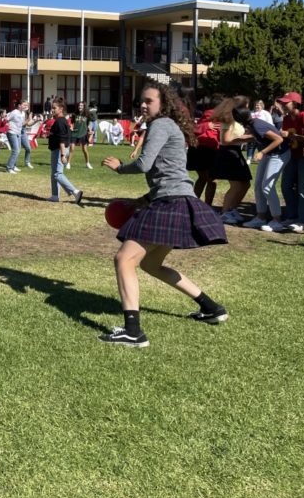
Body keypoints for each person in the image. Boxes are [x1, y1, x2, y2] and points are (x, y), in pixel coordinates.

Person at [100, 81, 228, 348]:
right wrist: (142, 200)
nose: (144, 105)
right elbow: (170, 174)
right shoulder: (170, 126)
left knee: (124, 259)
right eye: (141, 101)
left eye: (149, 101)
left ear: (163, 103)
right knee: (150, 265)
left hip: (170, 204)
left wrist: (120, 168)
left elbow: (145, 163)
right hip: (177, 200)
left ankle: (133, 332)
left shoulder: (160, 125)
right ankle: (211, 307)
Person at [233, 106, 291, 232]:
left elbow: (279, 139)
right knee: (259, 185)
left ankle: (277, 220)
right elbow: (258, 136)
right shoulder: (253, 124)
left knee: (267, 186)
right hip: (270, 154)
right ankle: (261, 217)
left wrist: (261, 152)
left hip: (279, 154)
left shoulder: (257, 125)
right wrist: (238, 139)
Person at [210, 96, 252, 224]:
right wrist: (247, 138)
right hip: (228, 153)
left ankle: (232, 209)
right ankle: (225, 212)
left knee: (245, 183)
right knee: (236, 185)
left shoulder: (237, 120)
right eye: (246, 105)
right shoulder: (229, 120)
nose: (247, 108)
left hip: (235, 152)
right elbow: (226, 140)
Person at [278, 92, 304, 229]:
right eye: (282, 102)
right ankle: (292, 216)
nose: (283, 104)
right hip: (291, 156)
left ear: (295, 103)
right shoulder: (286, 119)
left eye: (286, 102)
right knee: (286, 186)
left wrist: (291, 135)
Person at [47, 97, 83, 204]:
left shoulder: (60, 122)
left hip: (59, 150)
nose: (52, 110)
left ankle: (75, 192)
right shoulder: (60, 121)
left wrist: (63, 154)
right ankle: (54, 196)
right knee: (54, 173)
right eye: (52, 108)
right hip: (57, 149)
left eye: (54, 108)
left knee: (57, 174)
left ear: (61, 108)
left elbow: (62, 139)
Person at [186, 104, 219, 206]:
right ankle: (207, 206)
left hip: (196, 148)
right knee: (212, 180)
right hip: (208, 148)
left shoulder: (205, 115)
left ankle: (194, 204)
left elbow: (195, 129)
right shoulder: (220, 115)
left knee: (202, 178)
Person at [66, 102, 92, 170]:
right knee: (72, 148)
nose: (80, 106)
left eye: (81, 105)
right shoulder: (74, 114)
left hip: (83, 133)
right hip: (74, 133)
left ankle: (87, 163)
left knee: (85, 150)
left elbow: (88, 124)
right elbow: (72, 123)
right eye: (79, 105)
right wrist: (71, 127)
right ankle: (68, 163)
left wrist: (90, 130)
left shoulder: (87, 115)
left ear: (84, 107)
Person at [5, 101, 25, 173]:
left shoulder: (22, 113)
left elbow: (22, 124)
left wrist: (30, 119)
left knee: (18, 150)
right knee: (15, 150)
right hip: (12, 132)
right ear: (19, 105)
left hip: (18, 133)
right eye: (23, 105)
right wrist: (7, 127)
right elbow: (6, 119)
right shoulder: (14, 112)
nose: (25, 106)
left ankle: (13, 166)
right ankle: (9, 167)